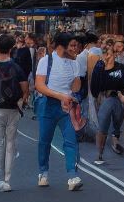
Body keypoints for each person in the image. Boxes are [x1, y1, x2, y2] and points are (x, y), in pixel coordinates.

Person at [32, 30, 85, 191]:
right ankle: (43, 172)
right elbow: (40, 86)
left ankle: (72, 176)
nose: (76, 49)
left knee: (71, 140)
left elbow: (76, 87)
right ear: (62, 46)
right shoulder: (46, 61)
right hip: (48, 104)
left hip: (66, 106)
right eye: (73, 46)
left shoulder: (75, 63)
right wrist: (60, 95)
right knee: (44, 141)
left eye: (77, 46)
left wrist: (77, 73)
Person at [0, 33, 29, 192]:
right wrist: (22, 101)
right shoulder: (16, 67)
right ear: (11, 48)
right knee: (10, 144)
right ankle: (7, 180)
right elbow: (25, 88)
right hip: (13, 110)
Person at [89, 38, 124, 166]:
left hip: (118, 98)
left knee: (116, 122)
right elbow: (94, 85)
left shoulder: (122, 68)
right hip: (104, 99)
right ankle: (100, 153)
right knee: (103, 124)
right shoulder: (99, 68)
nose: (107, 57)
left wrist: (122, 95)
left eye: (109, 54)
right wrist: (96, 98)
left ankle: (115, 140)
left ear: (114, 54)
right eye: (104, 54)